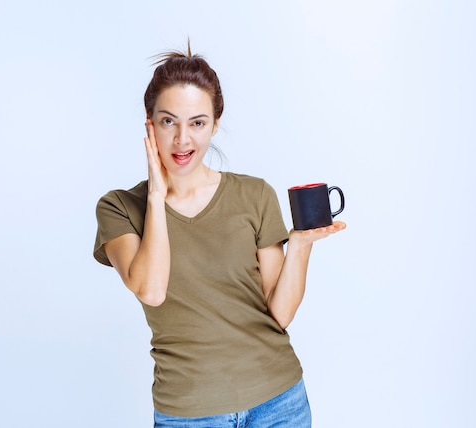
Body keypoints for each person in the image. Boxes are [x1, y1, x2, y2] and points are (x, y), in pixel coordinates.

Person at [93, 44, 346, 427]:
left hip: (279, 402)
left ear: (214, 124)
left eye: (197, 123)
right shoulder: (120, 208)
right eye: (168, 121)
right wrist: (159, 196)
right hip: (190, 413)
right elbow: (152, 290)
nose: (182, 139)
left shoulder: (255, 194)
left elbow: (279, 315)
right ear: (149, 123)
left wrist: (300, 246)